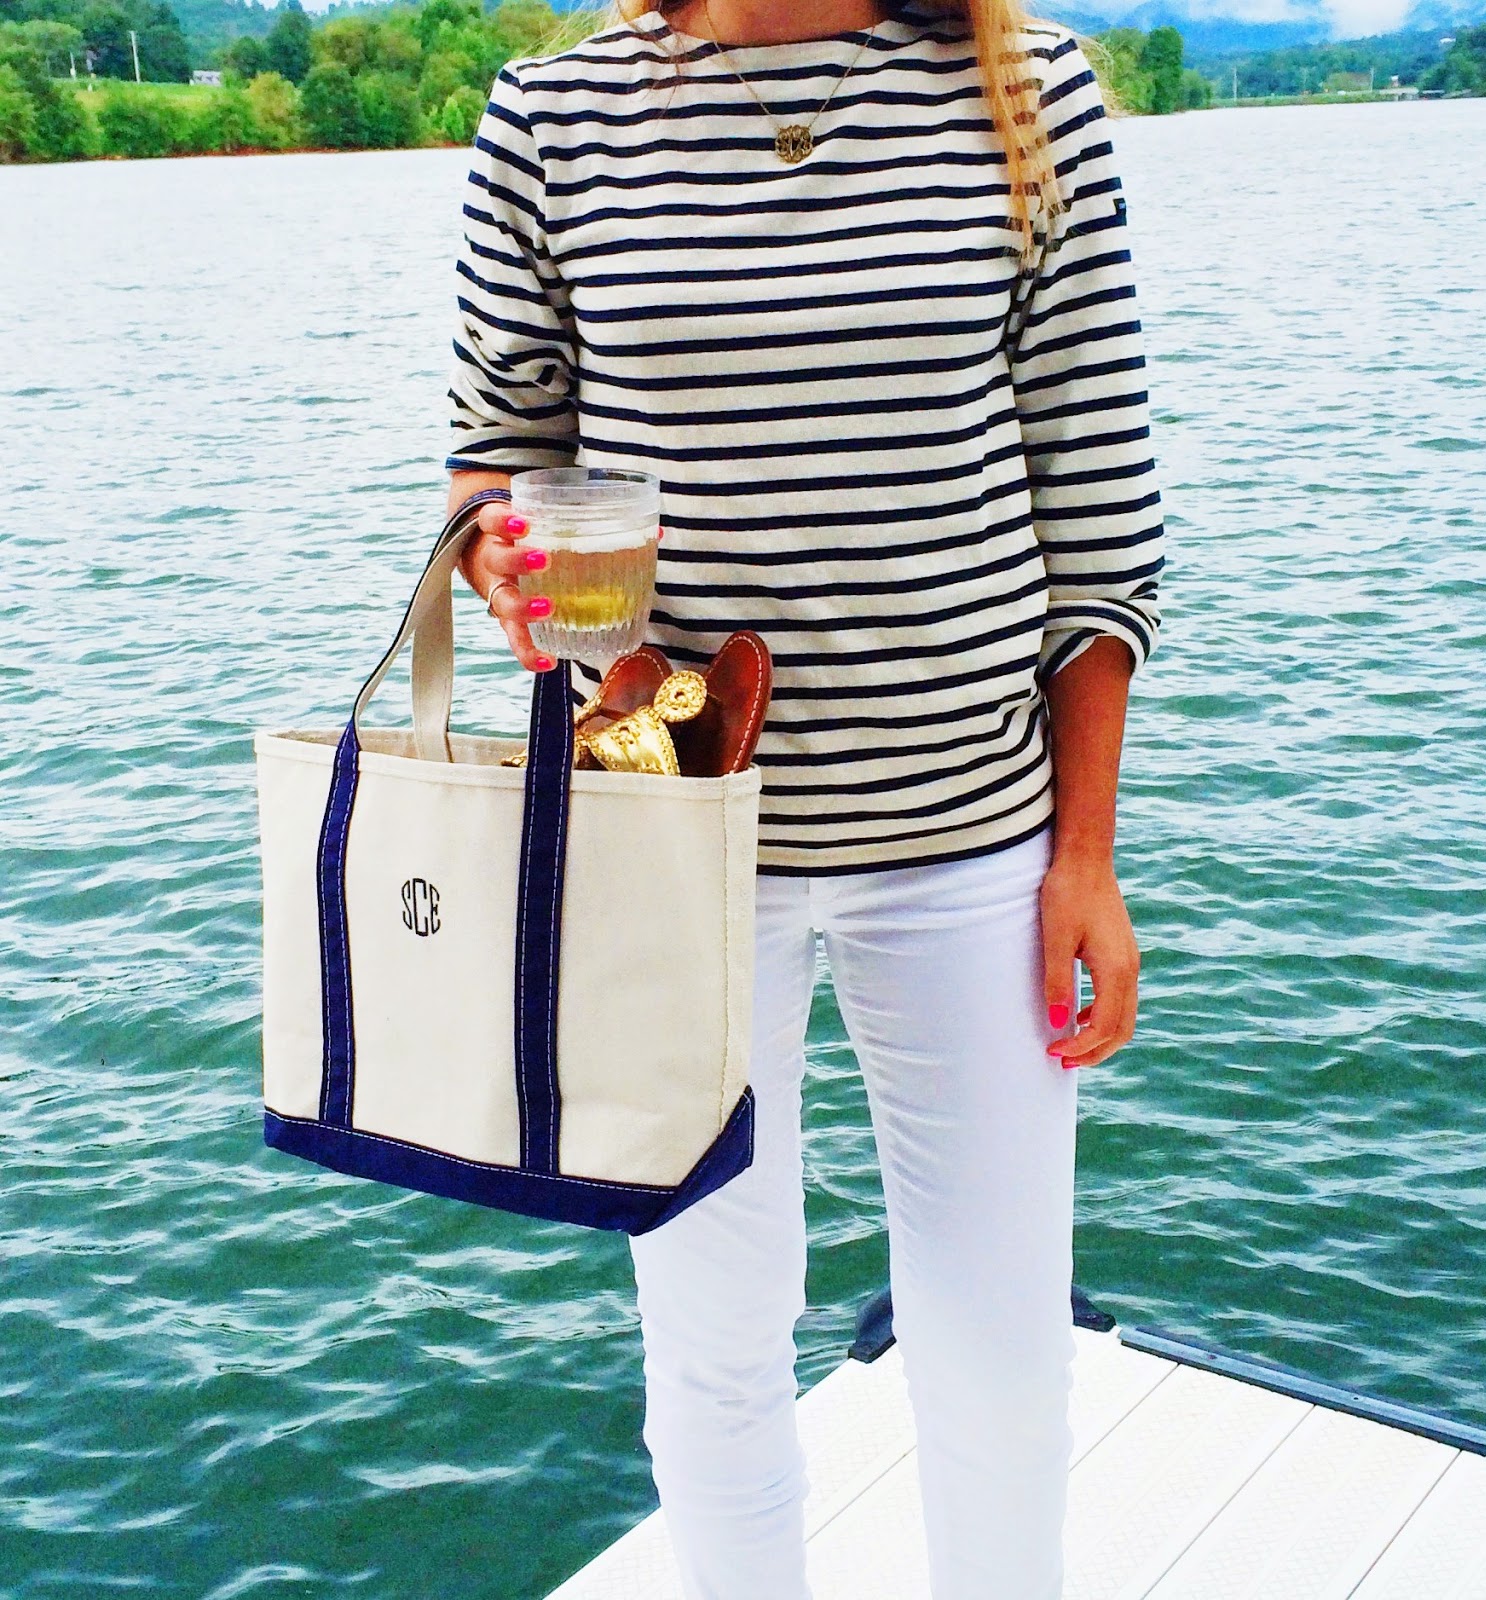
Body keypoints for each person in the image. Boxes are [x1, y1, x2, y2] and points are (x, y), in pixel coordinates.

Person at [444, 0, 1165, 1593]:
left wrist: (1087, 858)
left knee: (999, 1350)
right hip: (669, 846)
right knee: (711, 1343)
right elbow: (497, 454)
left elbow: (1102, 513)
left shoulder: (1028, 89)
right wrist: (497, 553)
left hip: (974, 839)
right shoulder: (553, 117)